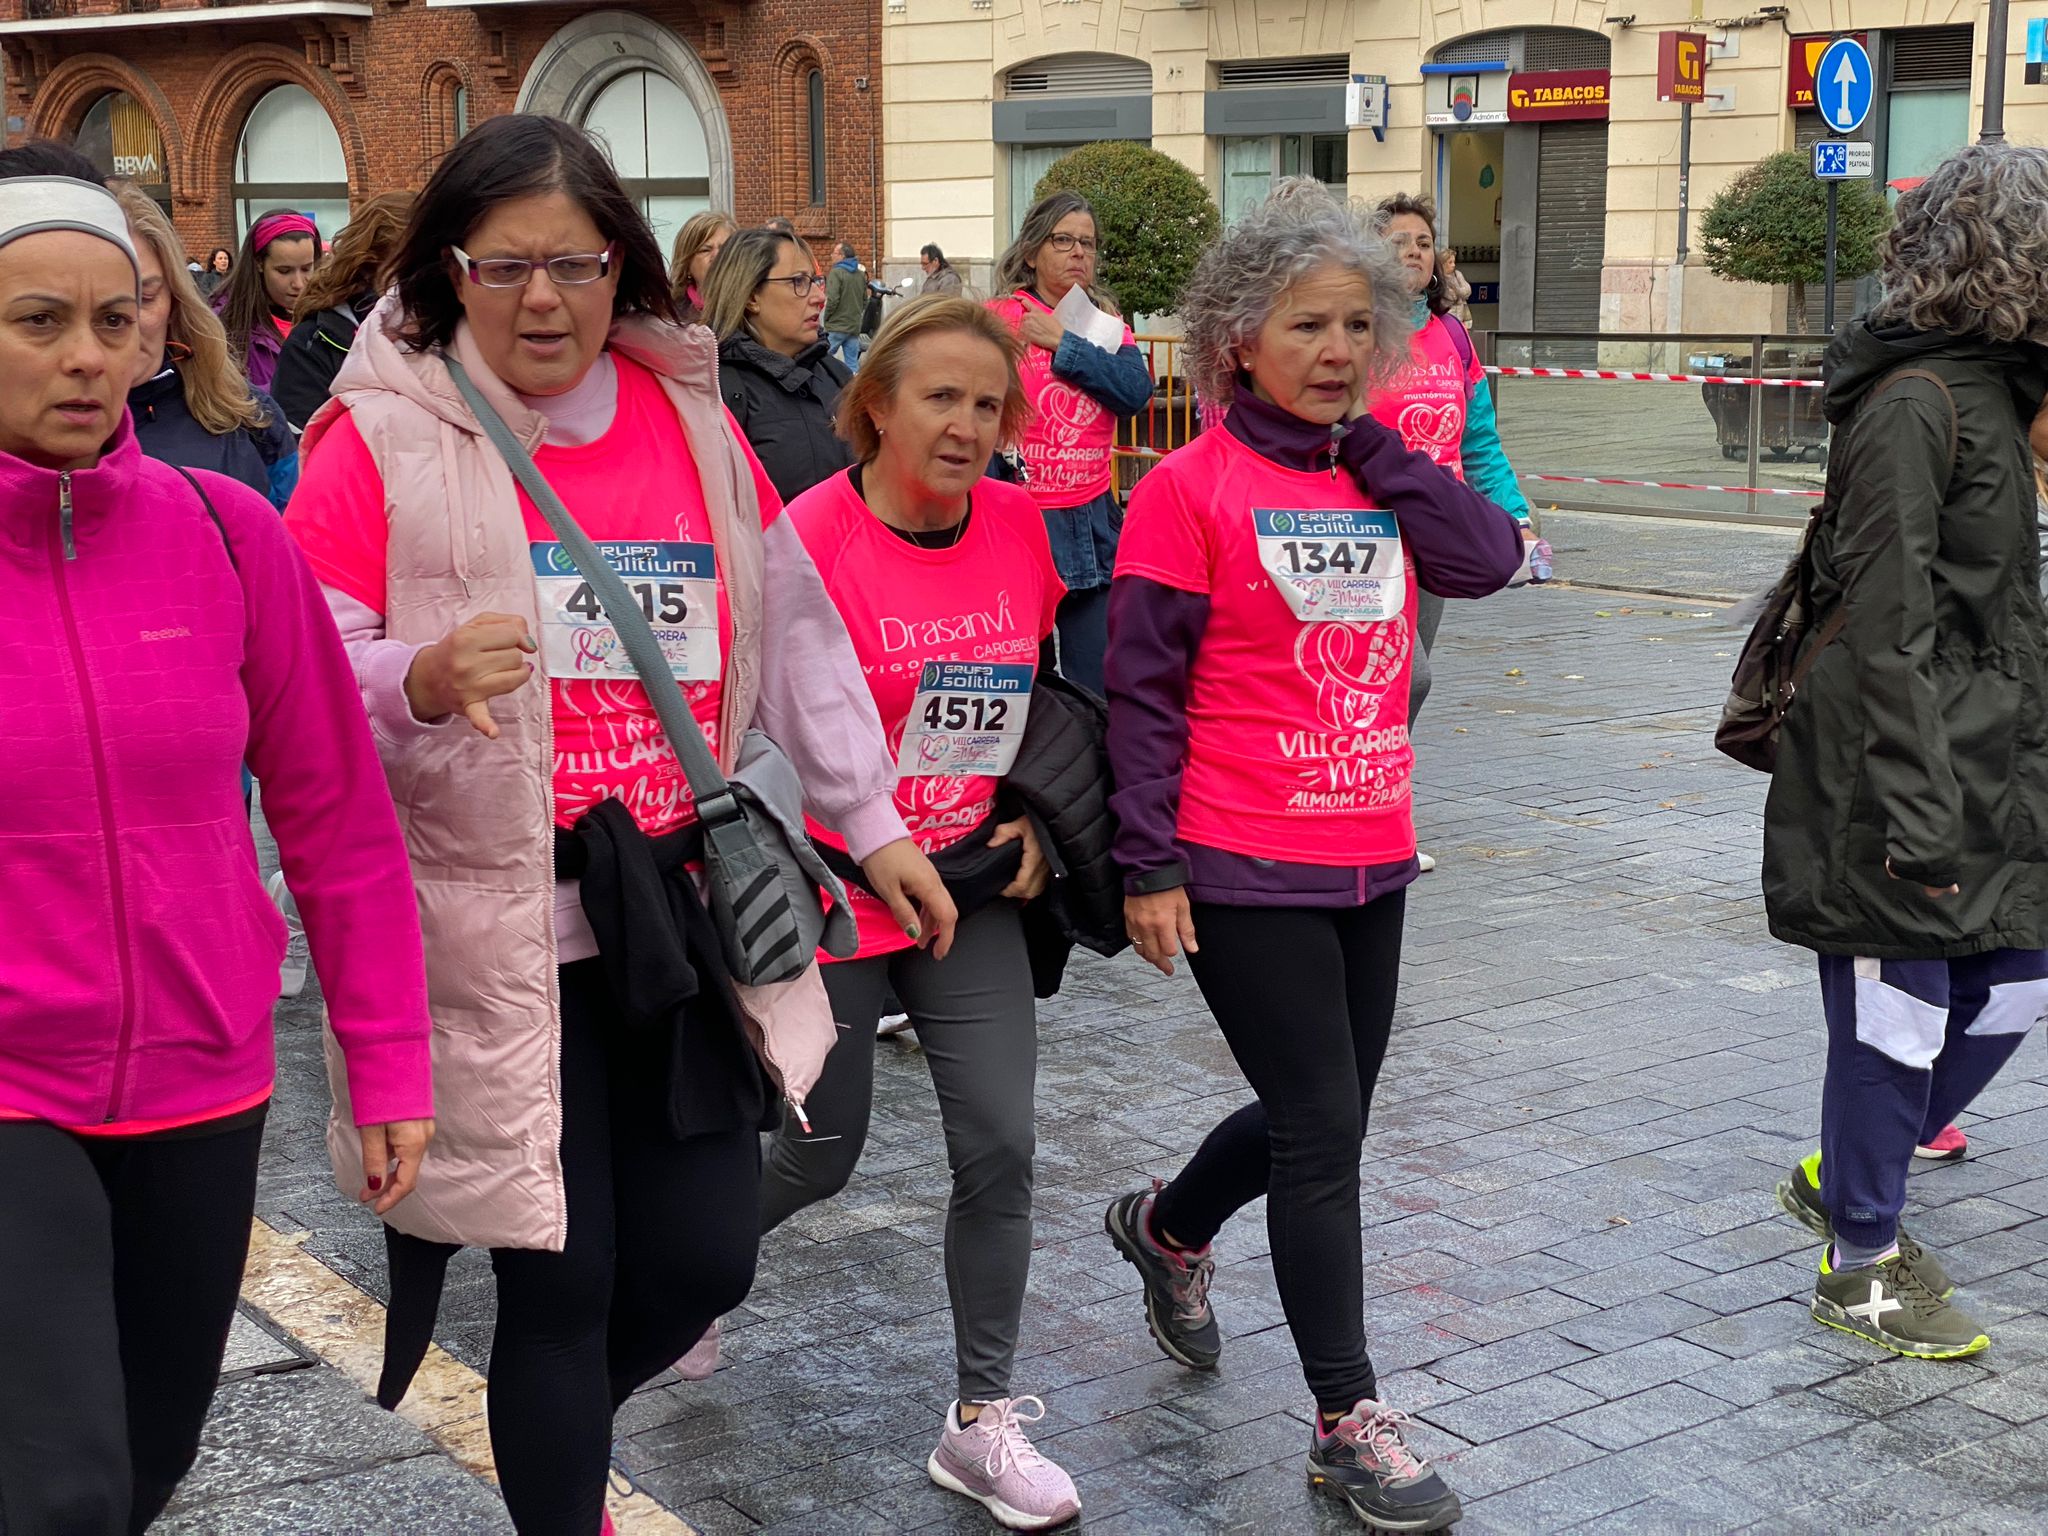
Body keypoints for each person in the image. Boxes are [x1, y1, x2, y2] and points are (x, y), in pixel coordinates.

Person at [283, 113, 955, 1536]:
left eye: (576, 265)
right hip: (495, 932)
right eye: (505, 265)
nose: (544, 299)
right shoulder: (383, 439)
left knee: (705, 1260)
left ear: (624, 270)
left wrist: (871, 817)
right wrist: (411, 671)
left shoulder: (691, 420)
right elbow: (294, 658)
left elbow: (796, 634)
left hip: (679, 911)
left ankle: (563, 1439)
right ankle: (561, 1501)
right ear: (449, 272)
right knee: (561, 1282)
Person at [0, 169, 433, 1534]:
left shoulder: (228, 535)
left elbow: (336, 818)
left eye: (112, 320)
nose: (84, 355)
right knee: (59, 1482)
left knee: (142, 1464)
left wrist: (387, 1057)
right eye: (34, 320)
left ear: (152, 333)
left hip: (203, 1075)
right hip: (13, 1084)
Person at [1099, 180, 1523, 1533]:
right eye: (1306, 326)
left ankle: (1168, 1227)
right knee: (1325, 1131)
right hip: (1238, 853)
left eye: (1358, 325)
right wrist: (1148, 862)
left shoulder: (1381, 469)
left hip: (1373, 848)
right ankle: (1347, 1421)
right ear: (1237, 340)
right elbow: (1143, 690)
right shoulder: (1185, 489)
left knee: (1314, 1119)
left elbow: (1490, 559)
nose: (1337, 350)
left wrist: (1385, 461)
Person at [760, 295, 1078, 1529]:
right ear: (875, 405)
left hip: (970, 893)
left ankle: (980, 1421)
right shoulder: (808, 536)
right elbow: (762, 733)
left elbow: (1043, 701)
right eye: (938, 398)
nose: (964, 425)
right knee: (817, 1153)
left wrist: (1046, 823)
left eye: (986, 404)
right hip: (836, 894)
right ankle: (679, 1284)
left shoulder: (1018, 526)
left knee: (999, 1144)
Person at [1763, 142, 2048, 1361]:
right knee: (1898, 1020)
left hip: (1981, 762)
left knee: (2018, 981)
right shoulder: (1911, 403)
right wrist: (1916, 811)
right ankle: (1860, 1260)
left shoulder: (1993, 396)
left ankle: (1849, 1170)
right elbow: (1884, 630)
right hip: (1889, 780)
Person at [1369, 193, 1540, 872]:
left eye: (1421, 241)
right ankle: (1370, 807)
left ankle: (1385, 808)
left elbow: (1480, 442)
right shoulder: (1358, 332)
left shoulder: (1453, 338)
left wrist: (1516, 520)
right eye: (1396, 240)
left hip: (1433, 541)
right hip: (1368, 542)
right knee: (1406, 680)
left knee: (1397, 687)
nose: (1411, 251)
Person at [988, 191, 1154, 694]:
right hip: (1020, 521)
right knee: (1024, 681)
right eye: (1063, 240)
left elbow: (1134, 391)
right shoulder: (997, 316)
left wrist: (1064, 342)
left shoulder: (1102, 322)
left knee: (1097, 681)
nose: (1078, 252)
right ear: (1034, 249)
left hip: (1090, 523)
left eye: (1087, 242)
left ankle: (1096, 770)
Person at [106, 181, 299, 511]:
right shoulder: (31, 439)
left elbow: (289, 543)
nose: (125, 320)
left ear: (175, 299)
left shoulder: (253, 418)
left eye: (145, 297)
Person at [705, 226, 854, 503]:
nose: (819, 298)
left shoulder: (837, 376)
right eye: (798, 282)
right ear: (751, 296)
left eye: (814, 281)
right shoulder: (713, 390)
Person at [272, 191, 413, 432]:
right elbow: (301, 445)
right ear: (368, 266)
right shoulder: (312, 344)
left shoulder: (447, 331)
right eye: (408, 269)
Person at [212, 208, 319, 391]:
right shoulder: (222, 327)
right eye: (284, 271)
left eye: (307, 269)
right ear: (259, 263)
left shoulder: (328, 317)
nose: (299, 284)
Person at [667, 209, 734, 325]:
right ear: (686, 264)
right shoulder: (670, 319)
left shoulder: (757, 308)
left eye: (725, 249)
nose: (717, 256)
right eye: (705, 250)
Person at [823, 238, 867, 369]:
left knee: (823, 359)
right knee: (852, 363)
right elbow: (865, 300)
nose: (831, 256)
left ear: (842, 256)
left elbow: (833, 299)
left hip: (837, 325)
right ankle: (854, 387)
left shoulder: (836, 273)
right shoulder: (860, 274)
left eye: (834, 253)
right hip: (853, 326)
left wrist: (827, 317)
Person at [1438, 246, 1473, 327]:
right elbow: (1450, 297)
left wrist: (1457, 290)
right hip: (1447, 317)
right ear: (1443, 264)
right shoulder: (1439, 278)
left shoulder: (1457, 274)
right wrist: (1459, 293)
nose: (1453, 265)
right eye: (1450, 262)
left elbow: (1467, 290)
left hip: (1461, 318)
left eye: (1454, 262)